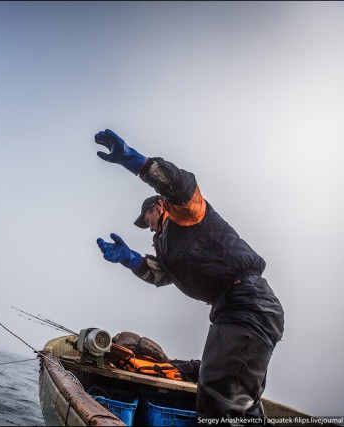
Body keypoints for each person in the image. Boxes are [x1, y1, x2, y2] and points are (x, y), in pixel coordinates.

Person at [94, 129, 284, 422]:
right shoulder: (168, 244)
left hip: (249, 304)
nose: (149, 227)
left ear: (158, 207)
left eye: (148, 220)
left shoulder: (185, 213)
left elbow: (183, 187)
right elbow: (161, 275)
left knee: (221, 403)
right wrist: (128, 259)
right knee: (235, 399)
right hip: (234, 310)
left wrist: (136, 162)